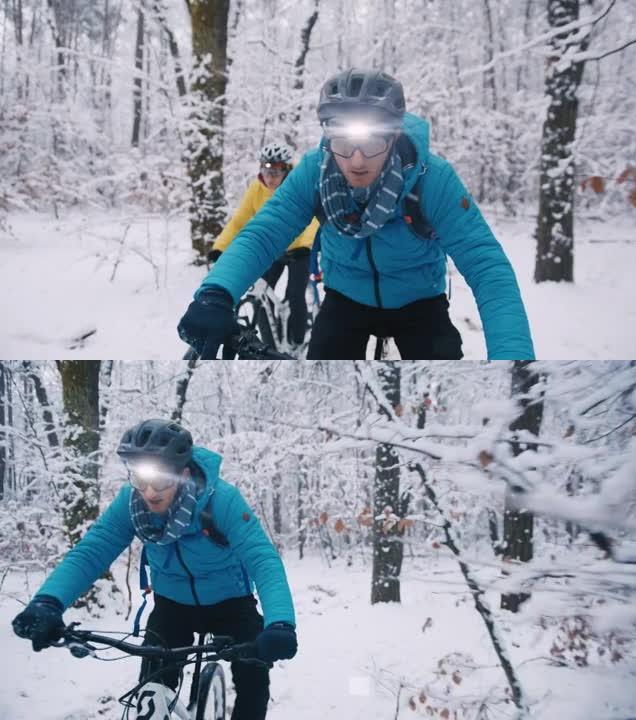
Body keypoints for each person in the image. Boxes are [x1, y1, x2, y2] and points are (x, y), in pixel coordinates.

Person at [178, 68, 534, 360]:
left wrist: (513, 360)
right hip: (346, 298)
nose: (358, 159)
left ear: (394, 137)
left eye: (373, 142)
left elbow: (487, 267)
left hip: (420, 301)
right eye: (344, 143)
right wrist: (217, 293)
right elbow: (265, 232)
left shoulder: (432, 178)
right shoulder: (314, 172)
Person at [11, 419, 298, 720]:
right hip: (172, 605)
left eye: (160, 481)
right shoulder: (131, 504)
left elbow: (262, 559)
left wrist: (280, 624)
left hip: (231, 602)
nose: (149, 493)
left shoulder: (221, 500)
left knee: (253, 677)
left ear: (183, 475)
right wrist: (48, 601)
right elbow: (91, 552)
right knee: (152, 687)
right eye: (140, 480)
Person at [208, 142, 320, 346]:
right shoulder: (256, 189)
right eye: (266, 171)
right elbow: (239, 221)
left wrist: (304, 243)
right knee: (261, 293)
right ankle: (270, 340)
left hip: (299, 250)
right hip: (273, 248)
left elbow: (313, 219)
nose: (270, 178)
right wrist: (220, 248)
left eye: (276, 172)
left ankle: (297, 342)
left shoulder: (297, 186)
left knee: (295, 295)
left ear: (286, 171)